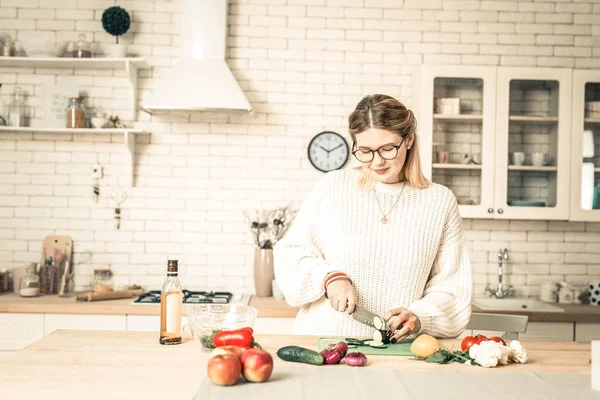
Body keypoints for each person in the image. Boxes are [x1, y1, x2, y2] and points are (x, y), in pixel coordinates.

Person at [273, 94, 472, 342]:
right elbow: (289, 255)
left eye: (388, 149)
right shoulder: (333, 187)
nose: (377, 161)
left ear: (408, 140)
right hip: (322, 345)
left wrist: (420, 316)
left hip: (398, 354)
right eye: (365, 151)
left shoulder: (440, 203)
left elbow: (452, 289)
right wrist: (328, 277)